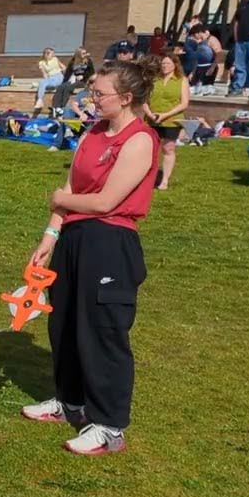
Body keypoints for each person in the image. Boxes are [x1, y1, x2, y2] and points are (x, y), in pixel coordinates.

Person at [21, 57, 161, 456]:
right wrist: (51, 232)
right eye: (92, 92)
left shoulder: (139, 139)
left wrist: (62, 200)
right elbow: (70, 184)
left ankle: (109, 425)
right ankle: (70, 402)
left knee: (101, 331)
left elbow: (106, 201)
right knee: (63, 323)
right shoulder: (94, 133)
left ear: (127, 97)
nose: (92, 99)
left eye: (100, 94)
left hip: (111, 243)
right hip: (74, 238)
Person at [143, 52, 190, 190]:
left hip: (171, 120)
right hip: (151, 119)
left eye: (168, 63)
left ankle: (164, 180)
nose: (164, 66)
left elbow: (184, 103)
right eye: (163, 63)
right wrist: (150, 114)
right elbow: (144, 101)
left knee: (168, 148)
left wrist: (165, 115)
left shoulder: (182, 80)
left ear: (175, 65)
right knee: (150, 149)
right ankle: (148, 178)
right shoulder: (153, 80)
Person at [51, 47, 94, 114]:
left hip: (84, 81)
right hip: (74, 79)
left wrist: (83, 76)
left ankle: (62, 107)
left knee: (69, 87)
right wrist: (64, 82)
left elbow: (92, 73)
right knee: (61, 87)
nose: (85, 54)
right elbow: (68, 73)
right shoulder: (73, 62)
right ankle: (56, 107)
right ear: (78, 54)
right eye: (83, 53)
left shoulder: (88, 61)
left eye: (85, 53)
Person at [33, 47, 64, 117]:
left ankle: (40, 99)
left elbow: (63, 67)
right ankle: (40, 100)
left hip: (58, 76)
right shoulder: (41, 63)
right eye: (51, 54)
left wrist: (63, 71)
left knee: (46, 84)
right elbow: (44, 74)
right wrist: (45, 82)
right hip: (50, 78)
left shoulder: (55, 59)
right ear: (46, 54)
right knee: (42, 82)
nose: (53, 55)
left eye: (53, 54)